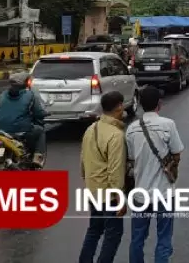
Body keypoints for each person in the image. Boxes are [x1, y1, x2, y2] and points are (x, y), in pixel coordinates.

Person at [125, 87, 184, 263]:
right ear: (159, 104)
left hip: (140, 194)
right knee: (164, 238)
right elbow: (177, 153)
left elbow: (130, 158)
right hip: (164, 193)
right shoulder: (168, 124)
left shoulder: (131, 129)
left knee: (137, 239)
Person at [79, 91, 127, 263]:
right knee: (113, 234)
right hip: (109, 195)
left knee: (94, 231)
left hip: (93, 191)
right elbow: (115, 170)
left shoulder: (91, 129)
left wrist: (88, 181)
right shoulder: (116, 135)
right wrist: (119, 197)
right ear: (119, 107)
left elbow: (83, 160)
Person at [0, 73, 47, 166]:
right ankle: (38, 158)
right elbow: (38, 113)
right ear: (25, 83)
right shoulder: (30, 95)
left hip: (3, 131)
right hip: (22, 131)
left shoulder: (2, 95)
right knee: (40, 131)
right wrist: (45, 113)